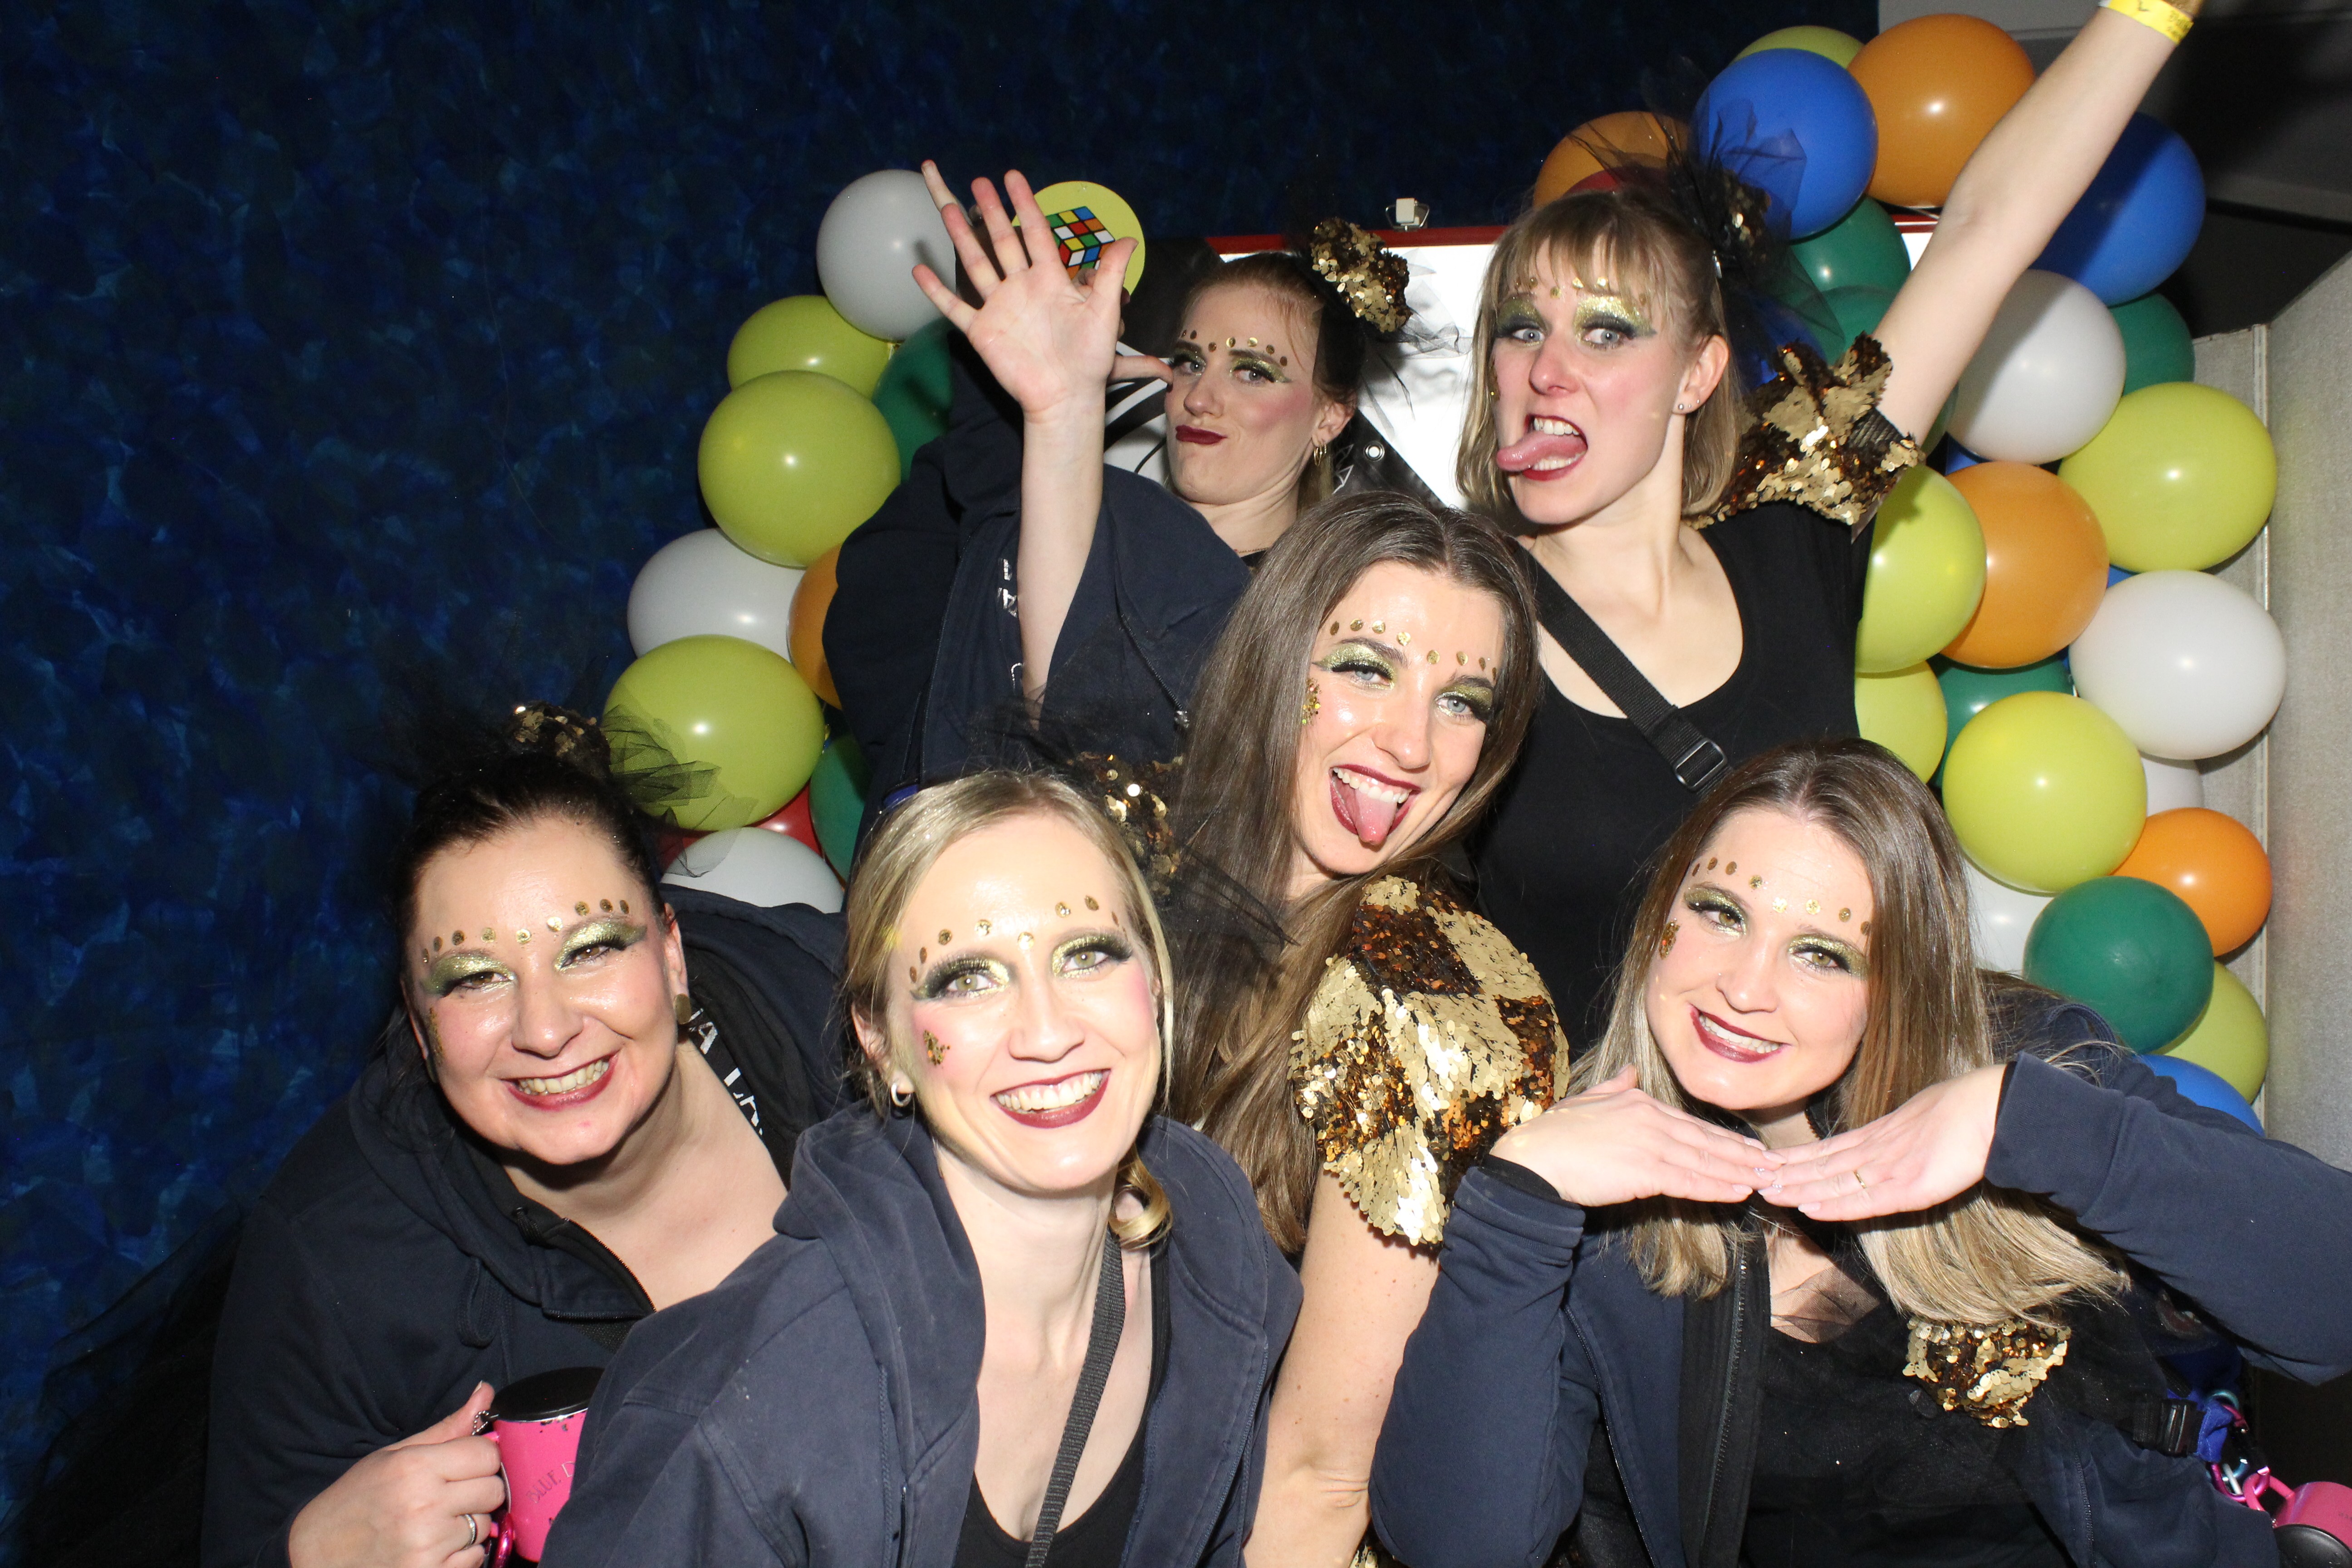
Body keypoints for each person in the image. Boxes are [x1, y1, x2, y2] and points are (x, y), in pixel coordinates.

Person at [1371, 737, 2352, 1568]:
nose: (1745, 988)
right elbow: (1459, 1547)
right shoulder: (1590, 1205)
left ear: (1901, 982)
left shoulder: (2027, 1063)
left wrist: (2031, 1127)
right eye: (1721, 913)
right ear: (1661, 916)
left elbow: (2331, 1298)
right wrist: (1518, 1209)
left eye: (1821, 953)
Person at [1460, 3, 2206, 1044]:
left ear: (1697, 374)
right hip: (1580, 1147)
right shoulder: (1456, 618)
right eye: (1522, 328)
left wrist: (2153, 10)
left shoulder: (1792, 530)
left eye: (1606, 332)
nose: (1547, 369)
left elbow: (1986, 233)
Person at [539, 769, 1299, 1568]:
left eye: (1087, 956)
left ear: (1155, 981)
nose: (1047, 1033)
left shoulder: (1213, 1247)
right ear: (882, 1043)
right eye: (967, 980)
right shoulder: (753, 1404)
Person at [202, 704, 849, 1568]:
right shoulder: (336, 1259)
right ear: (419, 1026)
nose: (545, 1031)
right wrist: (312, 1555)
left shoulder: (853, 1028)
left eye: (590, 949)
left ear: (671, 955)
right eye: (475, 978)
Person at [1137, 493, 1562, 1566]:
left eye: (1461, 701)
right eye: (1368, 668)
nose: (1411, 743)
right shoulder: (1123, 858)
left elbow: (1322, 1475)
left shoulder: (1431, 1006)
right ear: (1277, 660)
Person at [825, 164, 1412, 803]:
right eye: (1190, 361)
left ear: (1331, 415)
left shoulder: (1319, 625)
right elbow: (878, 628)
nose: (1199, 398)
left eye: (1252, 372)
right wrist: (1029, 405)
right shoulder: (1062, 499)